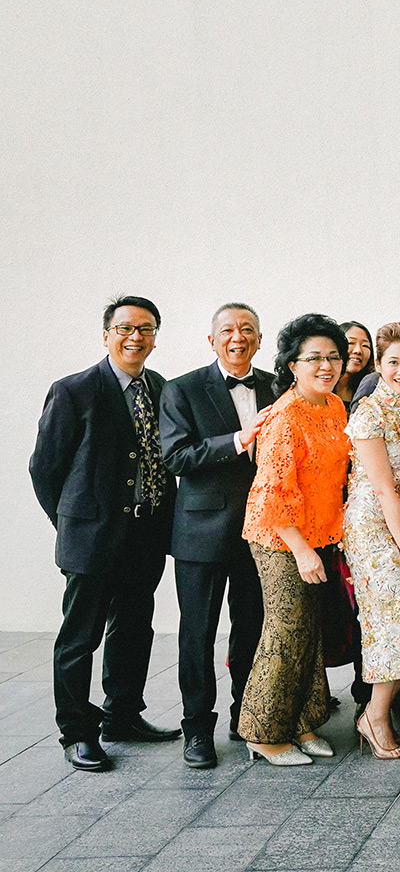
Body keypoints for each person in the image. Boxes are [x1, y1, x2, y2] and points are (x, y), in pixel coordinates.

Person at [31, 296, 181, 771]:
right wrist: (73, 524)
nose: (136, 337)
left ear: (155, 337)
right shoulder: (74, 390)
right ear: (106, 335)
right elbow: (44, 469)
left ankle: (123, 716)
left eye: (146, 329)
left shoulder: (160, 388)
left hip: (146, 533)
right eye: (125, 328)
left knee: (134, 629)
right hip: (91, 537)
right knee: (80, 638)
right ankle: (77, 732)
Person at [157, 302, 278, 768]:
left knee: (252, 629)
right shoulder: (182, 388)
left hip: (261, 531)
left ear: (260, 339)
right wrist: (236, 441)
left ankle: (246, 719)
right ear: (212, 340)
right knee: (198, 635)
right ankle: (196, 730)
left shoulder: (277, 386)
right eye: (227, 330)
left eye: (247, 330)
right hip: (201, 533)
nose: (237, 337)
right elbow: (176, 456)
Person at [237, 313, 353, 766]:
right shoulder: (284, 416)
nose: (326, 366)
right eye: (314, 358)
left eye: (334, 357)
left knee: (310, 632)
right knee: (286, 631)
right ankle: (263, 734)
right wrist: (303, 551)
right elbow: (273, 493)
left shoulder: (335, 405)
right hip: (280, 537)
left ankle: (302, 722)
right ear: (292, 365)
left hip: (319, 531)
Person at [343, 322, 400, 759]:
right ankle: (375, 717)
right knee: (392, 619)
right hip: (371, 525)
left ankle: (376, 714)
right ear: (378, 364)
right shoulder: (367, 413)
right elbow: (383, 489)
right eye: (394, 362)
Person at [335, 322, 374, 407]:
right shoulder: (319, 389)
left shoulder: (372, 393)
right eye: (350, 343)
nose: (358, 350)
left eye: (365, 345)